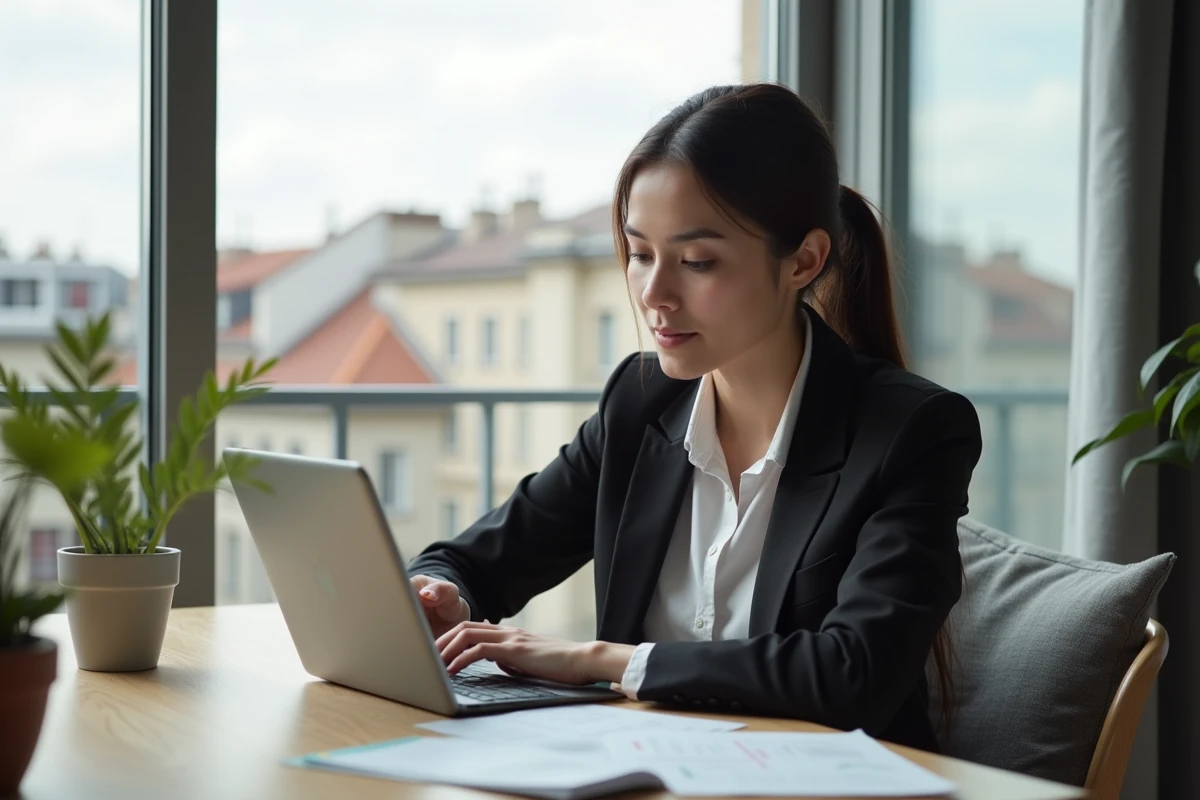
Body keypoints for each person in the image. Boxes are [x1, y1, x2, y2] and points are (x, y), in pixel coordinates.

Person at [407, 83, 982, 753]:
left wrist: (606, 661)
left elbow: (855, 672)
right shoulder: (641, 401)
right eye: (641, 254)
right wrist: (444, 594)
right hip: (646, 772)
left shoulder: (911, 431)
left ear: (803, 260)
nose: (655, 295)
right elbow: (472, 561)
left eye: (697, 262)